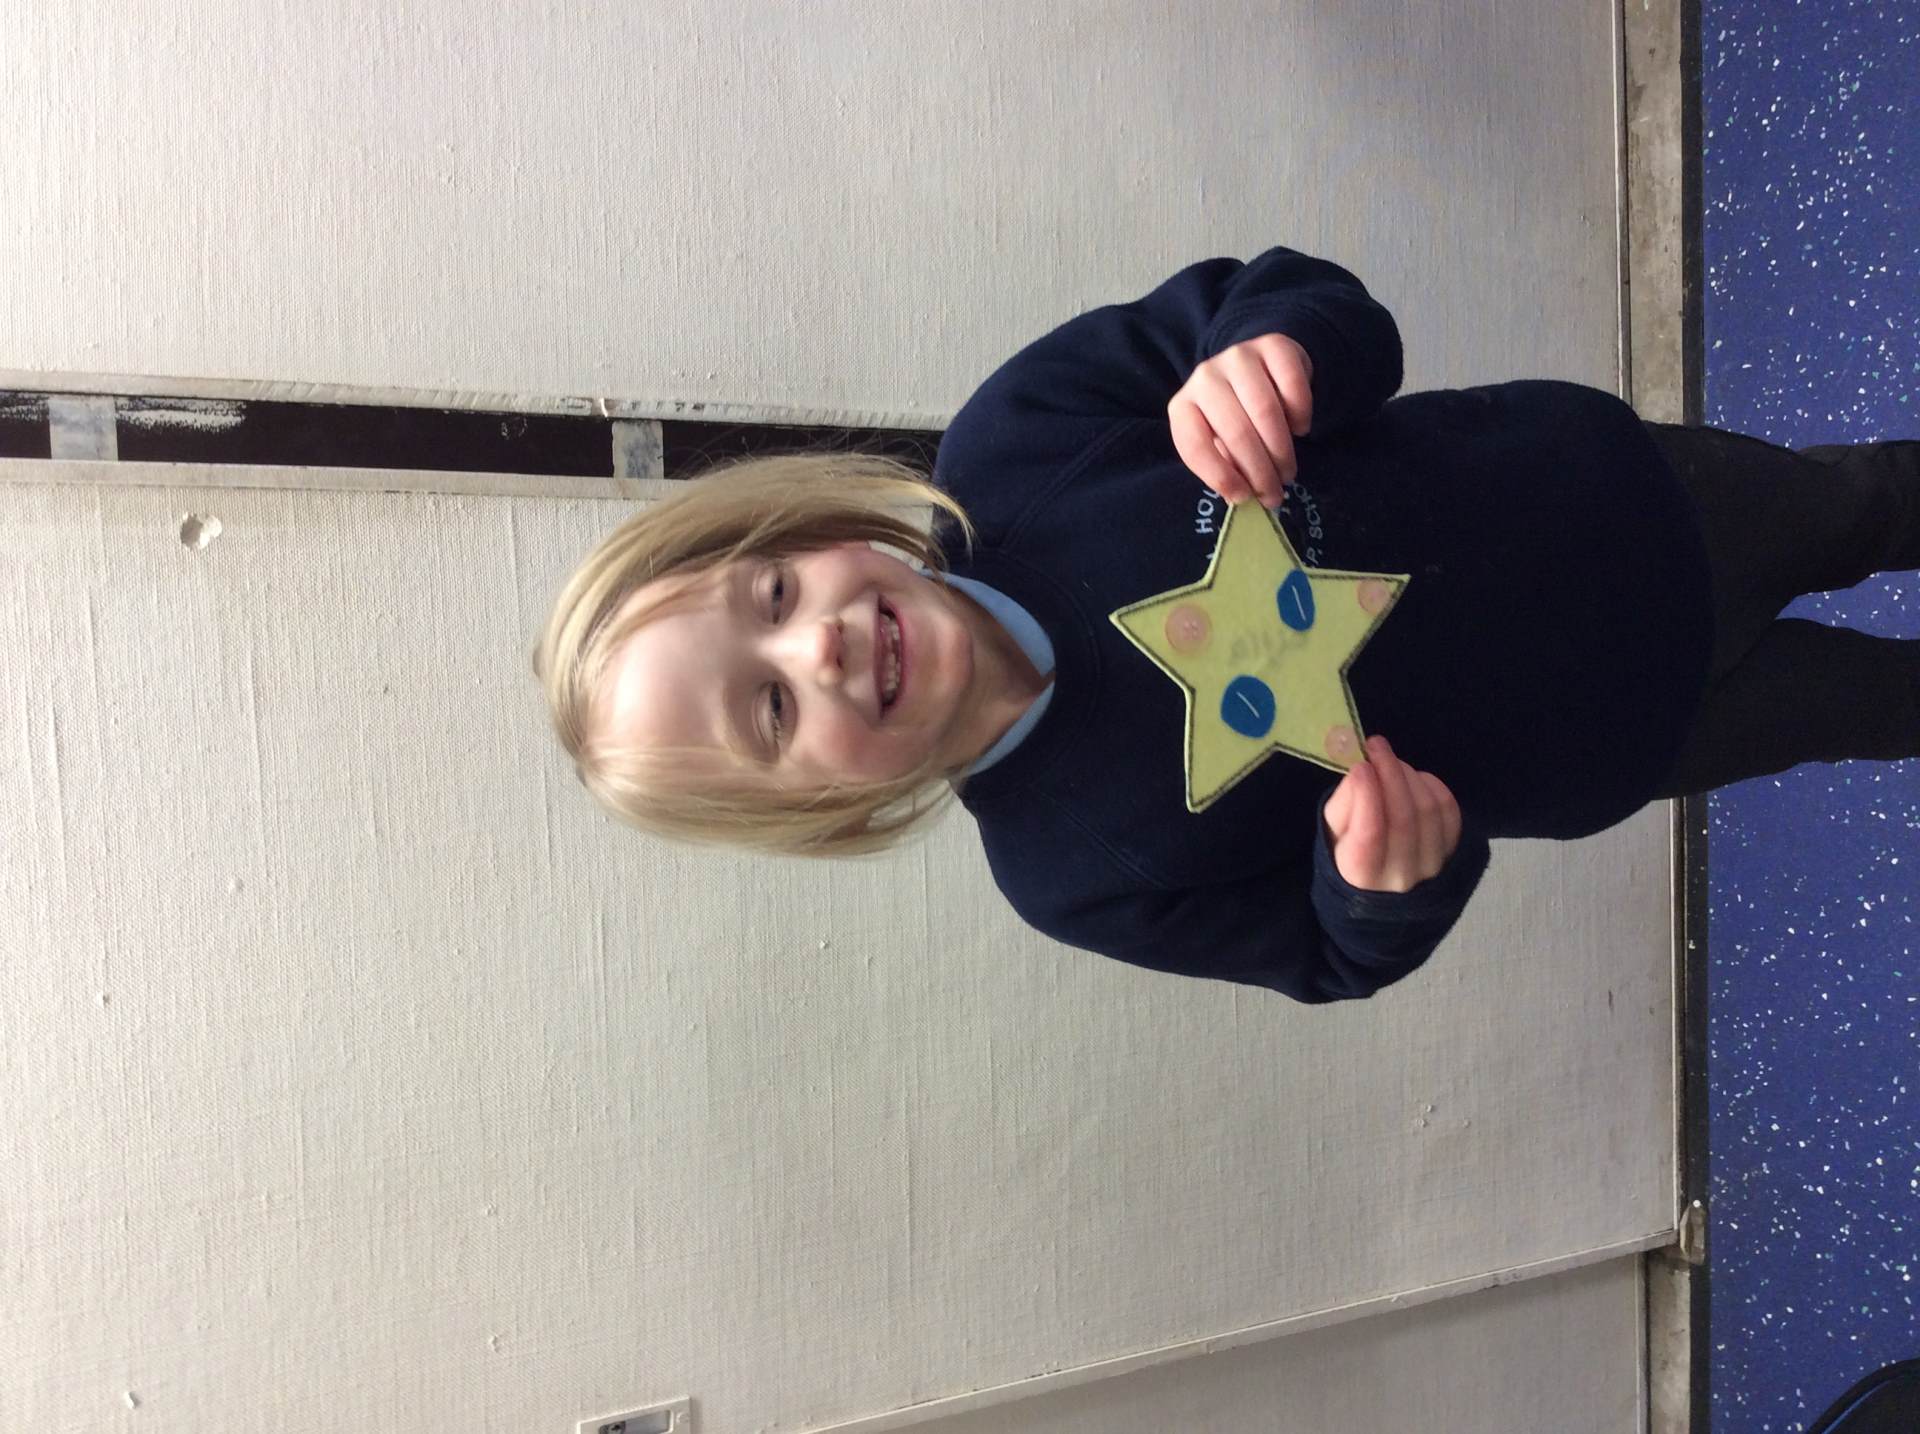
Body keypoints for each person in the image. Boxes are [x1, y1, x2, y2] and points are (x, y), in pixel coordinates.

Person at [534, 246, 1920, 1003]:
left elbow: (1298, 298)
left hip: (1609, 494)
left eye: (774, 598)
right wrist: (1380, 891)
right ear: (820, 808)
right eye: (771, 709)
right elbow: (1324, 956)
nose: (817, 648)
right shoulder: (1072, 876)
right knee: (1873, 709)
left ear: (803, 533)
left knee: (1865, 501)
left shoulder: (1018, 438)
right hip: (1619, 733)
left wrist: (1275, 352)